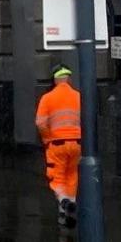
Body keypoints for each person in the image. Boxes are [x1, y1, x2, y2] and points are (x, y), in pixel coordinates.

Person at [34, 64, 82, 224]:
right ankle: (67, 211)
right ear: (68, 78)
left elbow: (40, 123)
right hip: (76, 143)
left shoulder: (48, 98)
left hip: (56, 144)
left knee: (57, 176)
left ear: (55, 79)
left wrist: (47, 138)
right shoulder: (78, 96)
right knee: (72, 175)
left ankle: (63, 201)